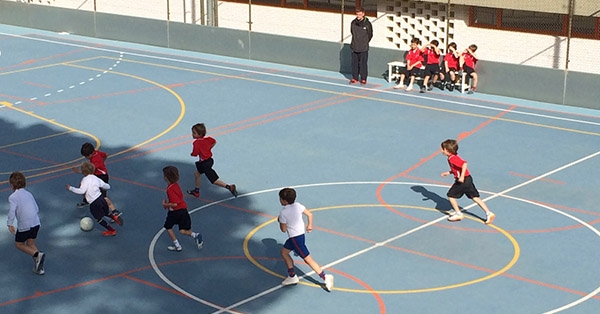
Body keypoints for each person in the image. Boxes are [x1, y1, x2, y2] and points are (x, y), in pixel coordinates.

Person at [278, 188, 334, 292]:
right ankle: (292, 276)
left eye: (280, 199)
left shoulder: (283, 213)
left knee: (308, 260)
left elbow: (283, 229)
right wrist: (310, 225)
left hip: (295, 238)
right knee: (284, 252)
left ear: (284, 201)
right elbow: (310, 214)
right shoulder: (298, 206)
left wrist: (280, 221)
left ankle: (325, 277)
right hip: (299, 235)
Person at [440, 139, 495, 224]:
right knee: (474, 197)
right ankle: (489, 213)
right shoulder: (453, 157)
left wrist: (461, 177)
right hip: (468, 179)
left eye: (442, 149)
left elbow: (464, 164)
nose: (441, 150)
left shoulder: (452, 159)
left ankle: (458, 214)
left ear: (447, 150)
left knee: (450, 195)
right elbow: (457, 168)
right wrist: (448, 172)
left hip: (463, 181)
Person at [71, 143, 122, 222]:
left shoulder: (95, 161)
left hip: (101, 177)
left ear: (91, 154)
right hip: (96, 175)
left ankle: (114, 212)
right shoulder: (96, 152)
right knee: (82, 185)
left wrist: (78, 171)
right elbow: (106, 155)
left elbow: (88, 170)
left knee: (103, 197)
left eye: (86, 156)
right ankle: (86, 200)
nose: (86, 158)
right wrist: (102, 162)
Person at [7, 172, 46, 275]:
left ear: (12, 185)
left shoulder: (12, 197)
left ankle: (36, 254)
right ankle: (39, 267)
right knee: (31, 243)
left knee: (19, 244)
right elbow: (36, 207)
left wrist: (10, 223)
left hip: (25, 225)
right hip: (36, 223)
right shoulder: (29, 193)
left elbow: (12, 211)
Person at [67, 161, 121, 235]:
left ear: (83, 172)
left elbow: (81, 191)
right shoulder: (96, 178)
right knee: (105, 212)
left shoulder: (84, 180)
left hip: (94, 203)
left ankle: (111, 230)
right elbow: (107, 186)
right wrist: (104, 187)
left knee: (98, 218)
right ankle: (114, 217)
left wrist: (71, 188)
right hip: (101, 198)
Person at [186, 123, 237, 198]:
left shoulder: (196, 143)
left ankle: (229, 187)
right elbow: (214, 141)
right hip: (209, 160)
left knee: (214, 180)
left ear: (199, 134)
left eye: (194, 133)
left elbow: (195, 153)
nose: (192, 134)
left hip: (204, 164)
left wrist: (192, 154)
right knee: (197, 174)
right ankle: (196, 191)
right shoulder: (208, 139)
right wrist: (208, 148)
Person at [162, 166, 203, 252]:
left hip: (175, 212)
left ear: (166, 177)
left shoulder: (169, 189)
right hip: (183, 210)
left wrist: (165, 205)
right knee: (182, 230)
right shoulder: (176, 185)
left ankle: (177, 246)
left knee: (168, 227)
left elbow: (174, 203)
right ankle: (195, 235)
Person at [349, 7, 373, 85]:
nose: (358, 16)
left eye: (360, 14)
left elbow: (370, 35)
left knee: (363, 64)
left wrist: (364, 42)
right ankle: (355, 78)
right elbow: (352, 32)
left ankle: (363, 78)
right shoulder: (353, 22)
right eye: (357, 14)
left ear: (363, 14)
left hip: (363, 47)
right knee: (354, 63)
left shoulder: (367, 24)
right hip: (354, 46)